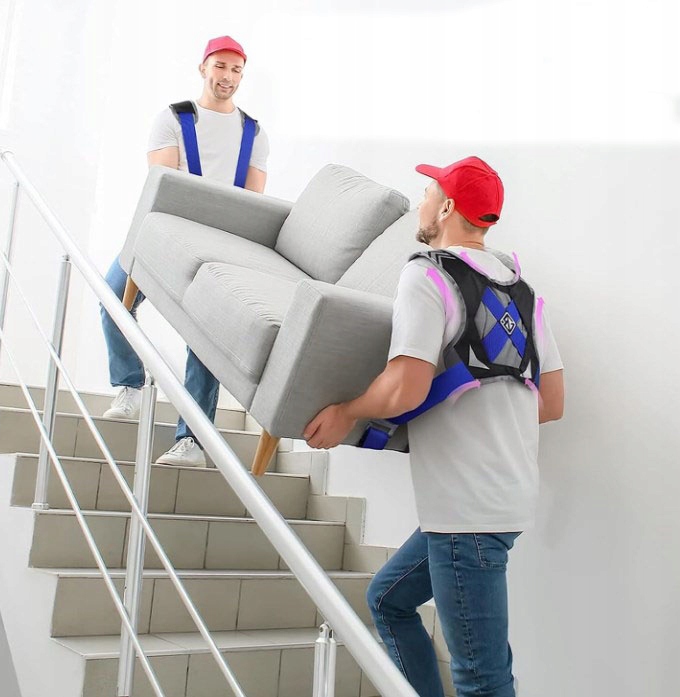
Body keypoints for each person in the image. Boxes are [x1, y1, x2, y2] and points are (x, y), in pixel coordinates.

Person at [303, 156, 564, 697]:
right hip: (505, 498)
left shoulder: (427, 274)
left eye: (427, 192)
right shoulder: (523, 292)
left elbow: (406, 386)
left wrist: (349, 411)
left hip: (466, 512)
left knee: (482, 679)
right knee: (388, 600)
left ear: (446, 208)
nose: (420, 202)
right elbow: (551, 402)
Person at [101, 35, 269, 466]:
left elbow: (251, 203)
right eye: (220, 66)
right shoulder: (173, 118)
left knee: (206, 338)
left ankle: (192, 440)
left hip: (219, 243)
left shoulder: (253, 132)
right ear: (203, 68)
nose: (227, 76)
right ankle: (129, 385)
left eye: (236, 69)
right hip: (162, 231)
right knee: (113, 296)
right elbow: (163, 185)